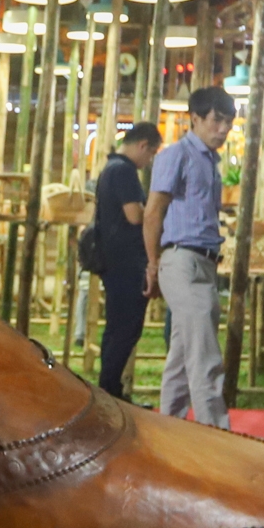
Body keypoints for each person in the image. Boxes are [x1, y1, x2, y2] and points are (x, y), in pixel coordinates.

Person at [144, 86, 234, 428]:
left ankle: (169, 431)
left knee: (182, 357)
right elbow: (153, 212)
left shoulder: (209, 161)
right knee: (204, 355)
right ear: (195, 118)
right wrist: (154, 263)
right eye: (216, 120)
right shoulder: (177, 155)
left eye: (228, 122)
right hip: (182, 259)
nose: (223, 129)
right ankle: (217, 437)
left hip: (202, 261)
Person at [92, 121, 159, 401]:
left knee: (116, 328)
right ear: (143, 145)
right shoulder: (124, 171)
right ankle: (110, 391)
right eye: (151, 153)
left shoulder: (110, 168)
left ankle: (109, 389)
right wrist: (155, 212)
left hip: (113, 261)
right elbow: (135, 215)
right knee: (125, 330)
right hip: (126, 263)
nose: (149, 161)